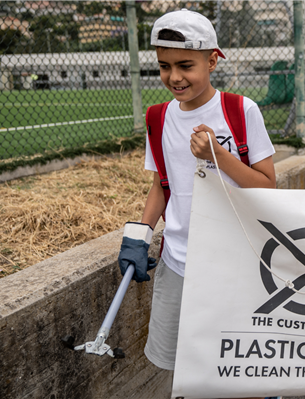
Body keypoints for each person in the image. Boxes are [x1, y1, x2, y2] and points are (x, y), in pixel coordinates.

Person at [116, 9, 278, 398]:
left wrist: (218, 157)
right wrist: (139, 235)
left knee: (245, 364)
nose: (174, 77)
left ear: (213, 59)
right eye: (164, 66)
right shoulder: (158, 117)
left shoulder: (241, 111)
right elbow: (162, 184)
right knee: (185, 366)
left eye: (186, 65)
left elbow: (268, 186)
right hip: (179, 263)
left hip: (239, 263)